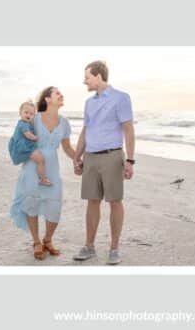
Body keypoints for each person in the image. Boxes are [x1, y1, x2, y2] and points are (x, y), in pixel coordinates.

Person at [73, 61, 135, 265]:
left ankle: (114, 249)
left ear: (99, 76)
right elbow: (85, 131)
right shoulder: (89, 103)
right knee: (92, 201)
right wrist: (77, 157)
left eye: (87, 77)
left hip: (112, 156)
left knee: (115, 201)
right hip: (90, 157)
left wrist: (130, 160)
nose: (85, 81)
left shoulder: (121, 98)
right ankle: (89, 246)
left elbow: (128, 130)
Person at [10, 87, 76, 260]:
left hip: (52, 168)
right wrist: (29, 153)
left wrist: (79, 160)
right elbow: (19, 137)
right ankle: (36, 241)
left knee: (55, 205)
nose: (62, 95)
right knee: (32, 202)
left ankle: (48, 239)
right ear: (47, 99)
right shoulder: (34, 118)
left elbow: (67, 148)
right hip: (33, 166)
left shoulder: (64, 122)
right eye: (57, 93)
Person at [9, 100, 52, 186]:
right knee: (41, 160)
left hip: (26, 145)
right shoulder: (23, 124)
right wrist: (36, 138)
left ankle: (41, 178)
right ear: (20, 113)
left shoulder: (25, 122)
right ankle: (42, 179)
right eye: (26, 112)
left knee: (40, 160)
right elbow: (28, 135)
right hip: (25, 147)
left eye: (31, 114)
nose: (28, 115)